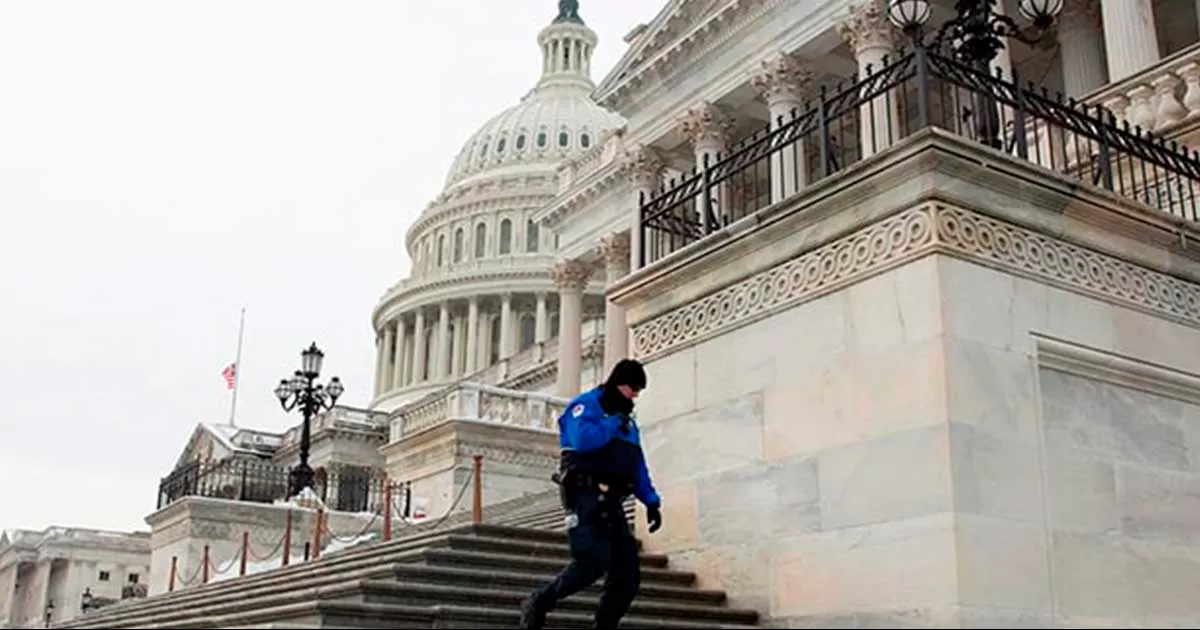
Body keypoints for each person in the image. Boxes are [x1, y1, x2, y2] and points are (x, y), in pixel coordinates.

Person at [519, 359, 663, 629]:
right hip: (584, 496)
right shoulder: (586, 405)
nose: (635, 396)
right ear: (619, 383)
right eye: (633, 389)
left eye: (638, 392)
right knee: (593, 560)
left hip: (612, 502)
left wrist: (651, 501)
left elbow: (636, 464)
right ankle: (539, 601)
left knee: (627, 576)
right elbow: (583, 441)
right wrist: (611, 425)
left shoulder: (628, 425)